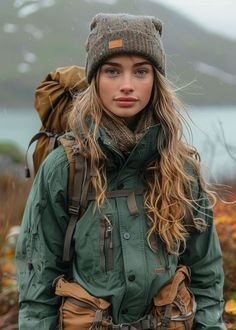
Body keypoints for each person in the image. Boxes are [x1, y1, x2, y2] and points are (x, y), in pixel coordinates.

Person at [16, 13, 226, 330]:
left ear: (156, 80)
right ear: (95, 79)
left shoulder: (181, 167)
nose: (126, 86)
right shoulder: (64, 167)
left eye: (140, 71)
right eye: (112, 71)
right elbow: (38, 276)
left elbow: (206, 271)